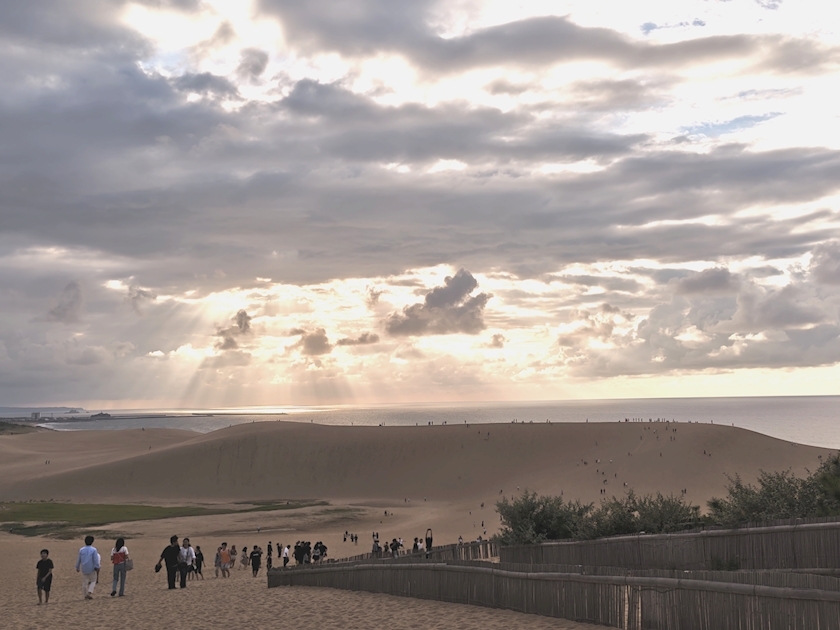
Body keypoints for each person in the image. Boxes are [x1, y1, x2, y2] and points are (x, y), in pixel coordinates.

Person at [75, 535, 100, 600]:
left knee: (85, 582)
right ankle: (89, 592)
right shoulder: (94, 549)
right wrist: (97, 566)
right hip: (91, 568)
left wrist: (77, 567)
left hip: (84, 568)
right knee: (93, 580)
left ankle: (85, 594)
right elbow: (95, 559)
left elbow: (79, 559)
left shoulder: (81, 549)